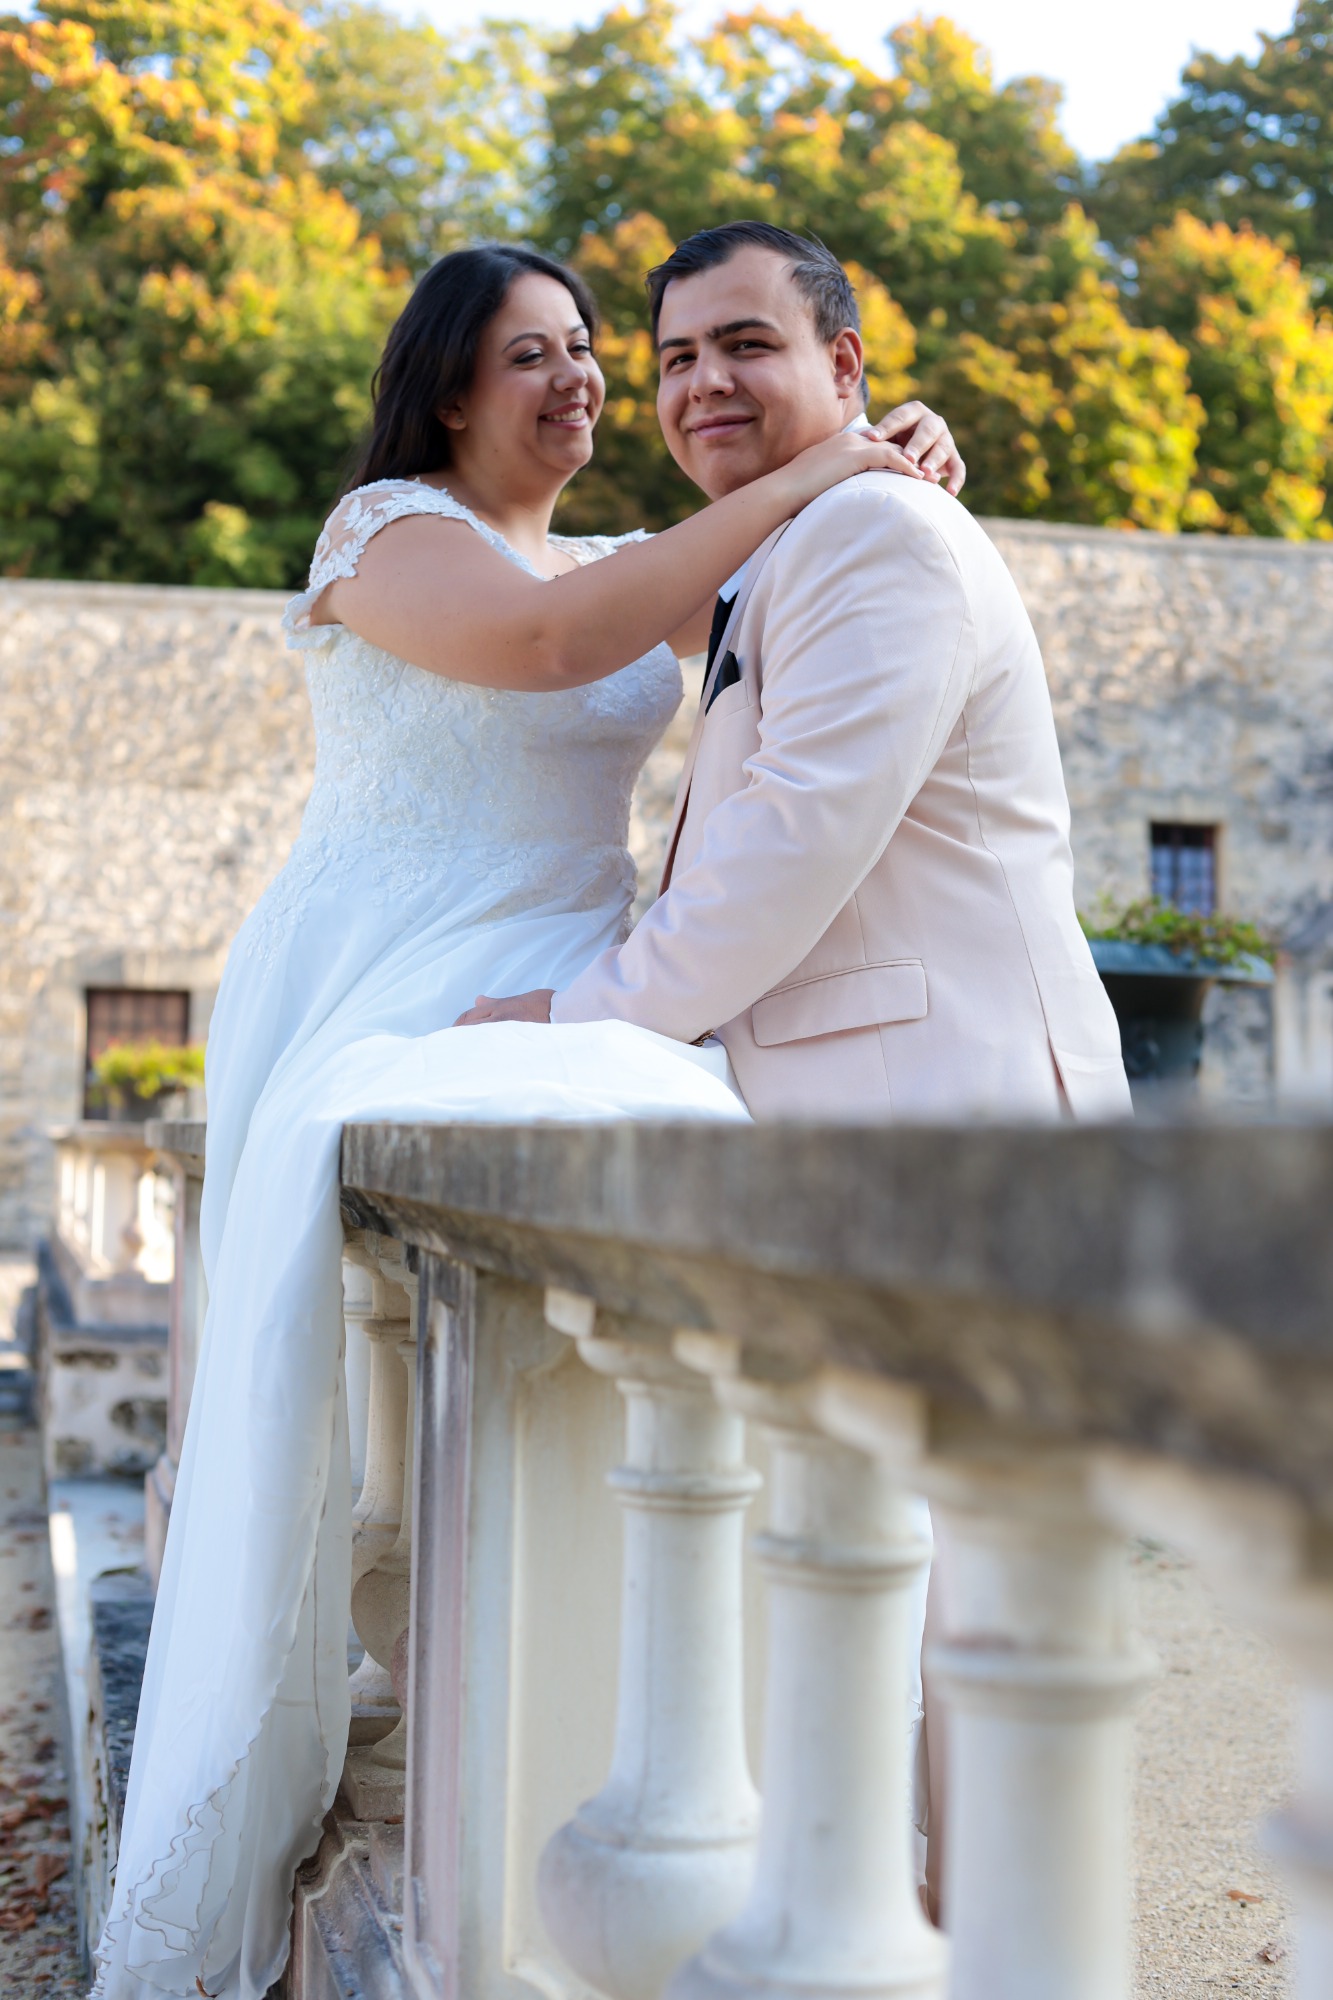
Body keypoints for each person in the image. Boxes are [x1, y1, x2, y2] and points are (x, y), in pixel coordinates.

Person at [89, 241, 965, 2000]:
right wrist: (823, 465)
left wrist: (876, 446)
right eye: (530, 356)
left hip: (565, 957)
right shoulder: (381, 535)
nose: (580, 381)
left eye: (586, 350)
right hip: (387, 965)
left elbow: (759, 599)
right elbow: (553, 646)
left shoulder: (620, 554)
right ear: (444, 389)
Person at [459, 221, 1133, 1927]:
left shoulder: (879, 542)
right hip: (857, 1136)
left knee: (981, 1621)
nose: (701, 382)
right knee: (880, 1593)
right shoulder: (781, 547)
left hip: (959, 1125)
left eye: (744, 345)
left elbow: (783, 858)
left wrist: (571, 1020)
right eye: (675, 356)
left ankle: (1007, 1951)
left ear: (842, 365)